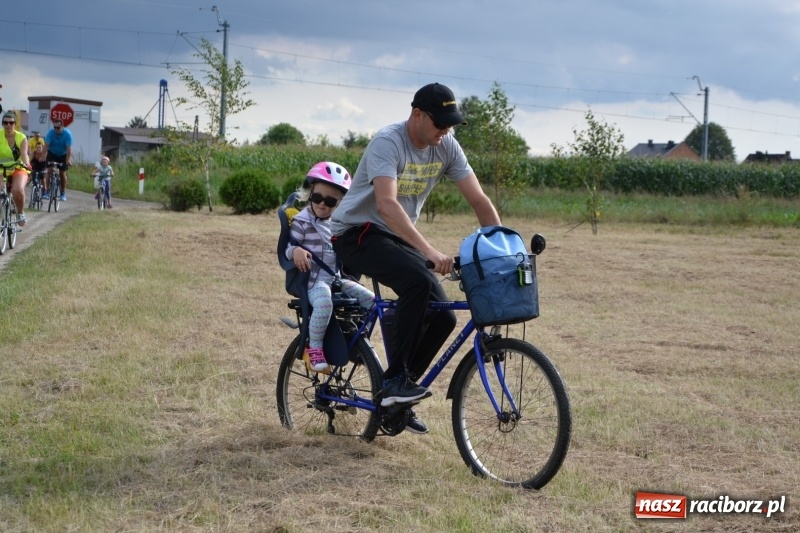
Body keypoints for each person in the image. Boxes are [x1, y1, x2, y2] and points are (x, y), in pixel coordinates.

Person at [330, 83, 501, 432]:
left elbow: (479, 200)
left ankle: (398, 395)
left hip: (394, 236)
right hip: (355, 232)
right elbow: (386, 205)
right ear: (417, 115)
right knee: (418, 281)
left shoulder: (447, 145)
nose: (445, 132)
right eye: (440, 124)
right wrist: (429, 251)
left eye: (450, 125)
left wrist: (502, 248)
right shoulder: (388, 142)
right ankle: (394, 382)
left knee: (443, 318)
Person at [286, 161, 375, 373]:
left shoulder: (337, 222)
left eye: (330, 201)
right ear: (310, 194)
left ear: (340, 203)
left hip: (335, 278)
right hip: (313, 281)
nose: (322, 204)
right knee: (324, 303)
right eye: (317, 198)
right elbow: (288, 248)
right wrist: (296, 251)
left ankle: (355, 342)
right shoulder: (302, 221)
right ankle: (314, 348)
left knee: (372, 302)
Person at [1, 111, 32, 227]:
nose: (8, 125)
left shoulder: (21, 137)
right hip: (1, 168)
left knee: (17, 190)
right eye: (5, 123)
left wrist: (26, 163)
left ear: (15, 124)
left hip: (18, 167)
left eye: (11, 122)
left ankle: (20, 212)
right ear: (2, 124)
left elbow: (24, 153)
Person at [43, 118, 72, 202]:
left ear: (62, 126)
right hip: (52, 153)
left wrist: (67, 160)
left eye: (58, 128)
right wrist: (43, 156)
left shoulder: (67, 134)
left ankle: (62, 193)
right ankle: (47, 191)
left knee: (62, 173)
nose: (56, 129)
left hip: (63, 154)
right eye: (54, 127)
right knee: (49, 171)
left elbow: (69, 149)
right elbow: (46, 146)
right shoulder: (50, 133)